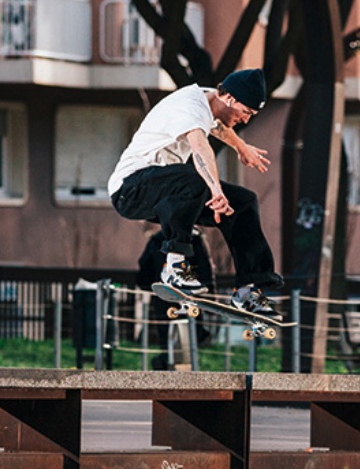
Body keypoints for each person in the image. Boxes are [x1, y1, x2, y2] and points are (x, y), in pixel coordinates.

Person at [109, 68, 285, 320]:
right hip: (131, 189)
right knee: (193, 176)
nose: (246, 120)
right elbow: (200, 146)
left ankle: (249, 289)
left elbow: (219, 128)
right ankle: (175, 265)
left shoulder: (208, 103)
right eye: (246, 112)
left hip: (166, 194)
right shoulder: (190, 105)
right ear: (230, 98)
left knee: (243, 203)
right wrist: (215, 188)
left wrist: (241, 147)